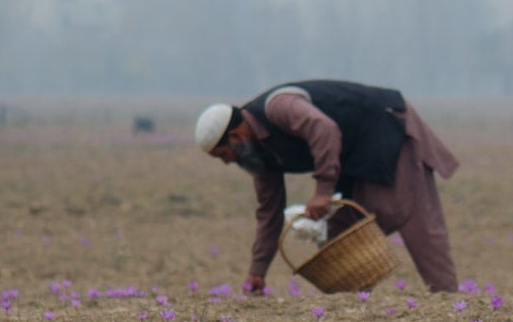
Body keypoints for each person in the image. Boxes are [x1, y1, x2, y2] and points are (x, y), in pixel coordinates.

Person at [195, 80, 460, 293]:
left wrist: (323, 191)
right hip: (354, 154)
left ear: (236, 137)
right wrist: (257, 271)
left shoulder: (278, 107)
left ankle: (447, 297)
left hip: (386, 126)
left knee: (408, 210)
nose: (227, 163)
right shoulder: (260, 158)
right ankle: (349, 305)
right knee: (340, 230)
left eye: (223, 155)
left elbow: (324, 130)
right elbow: (269, 213)